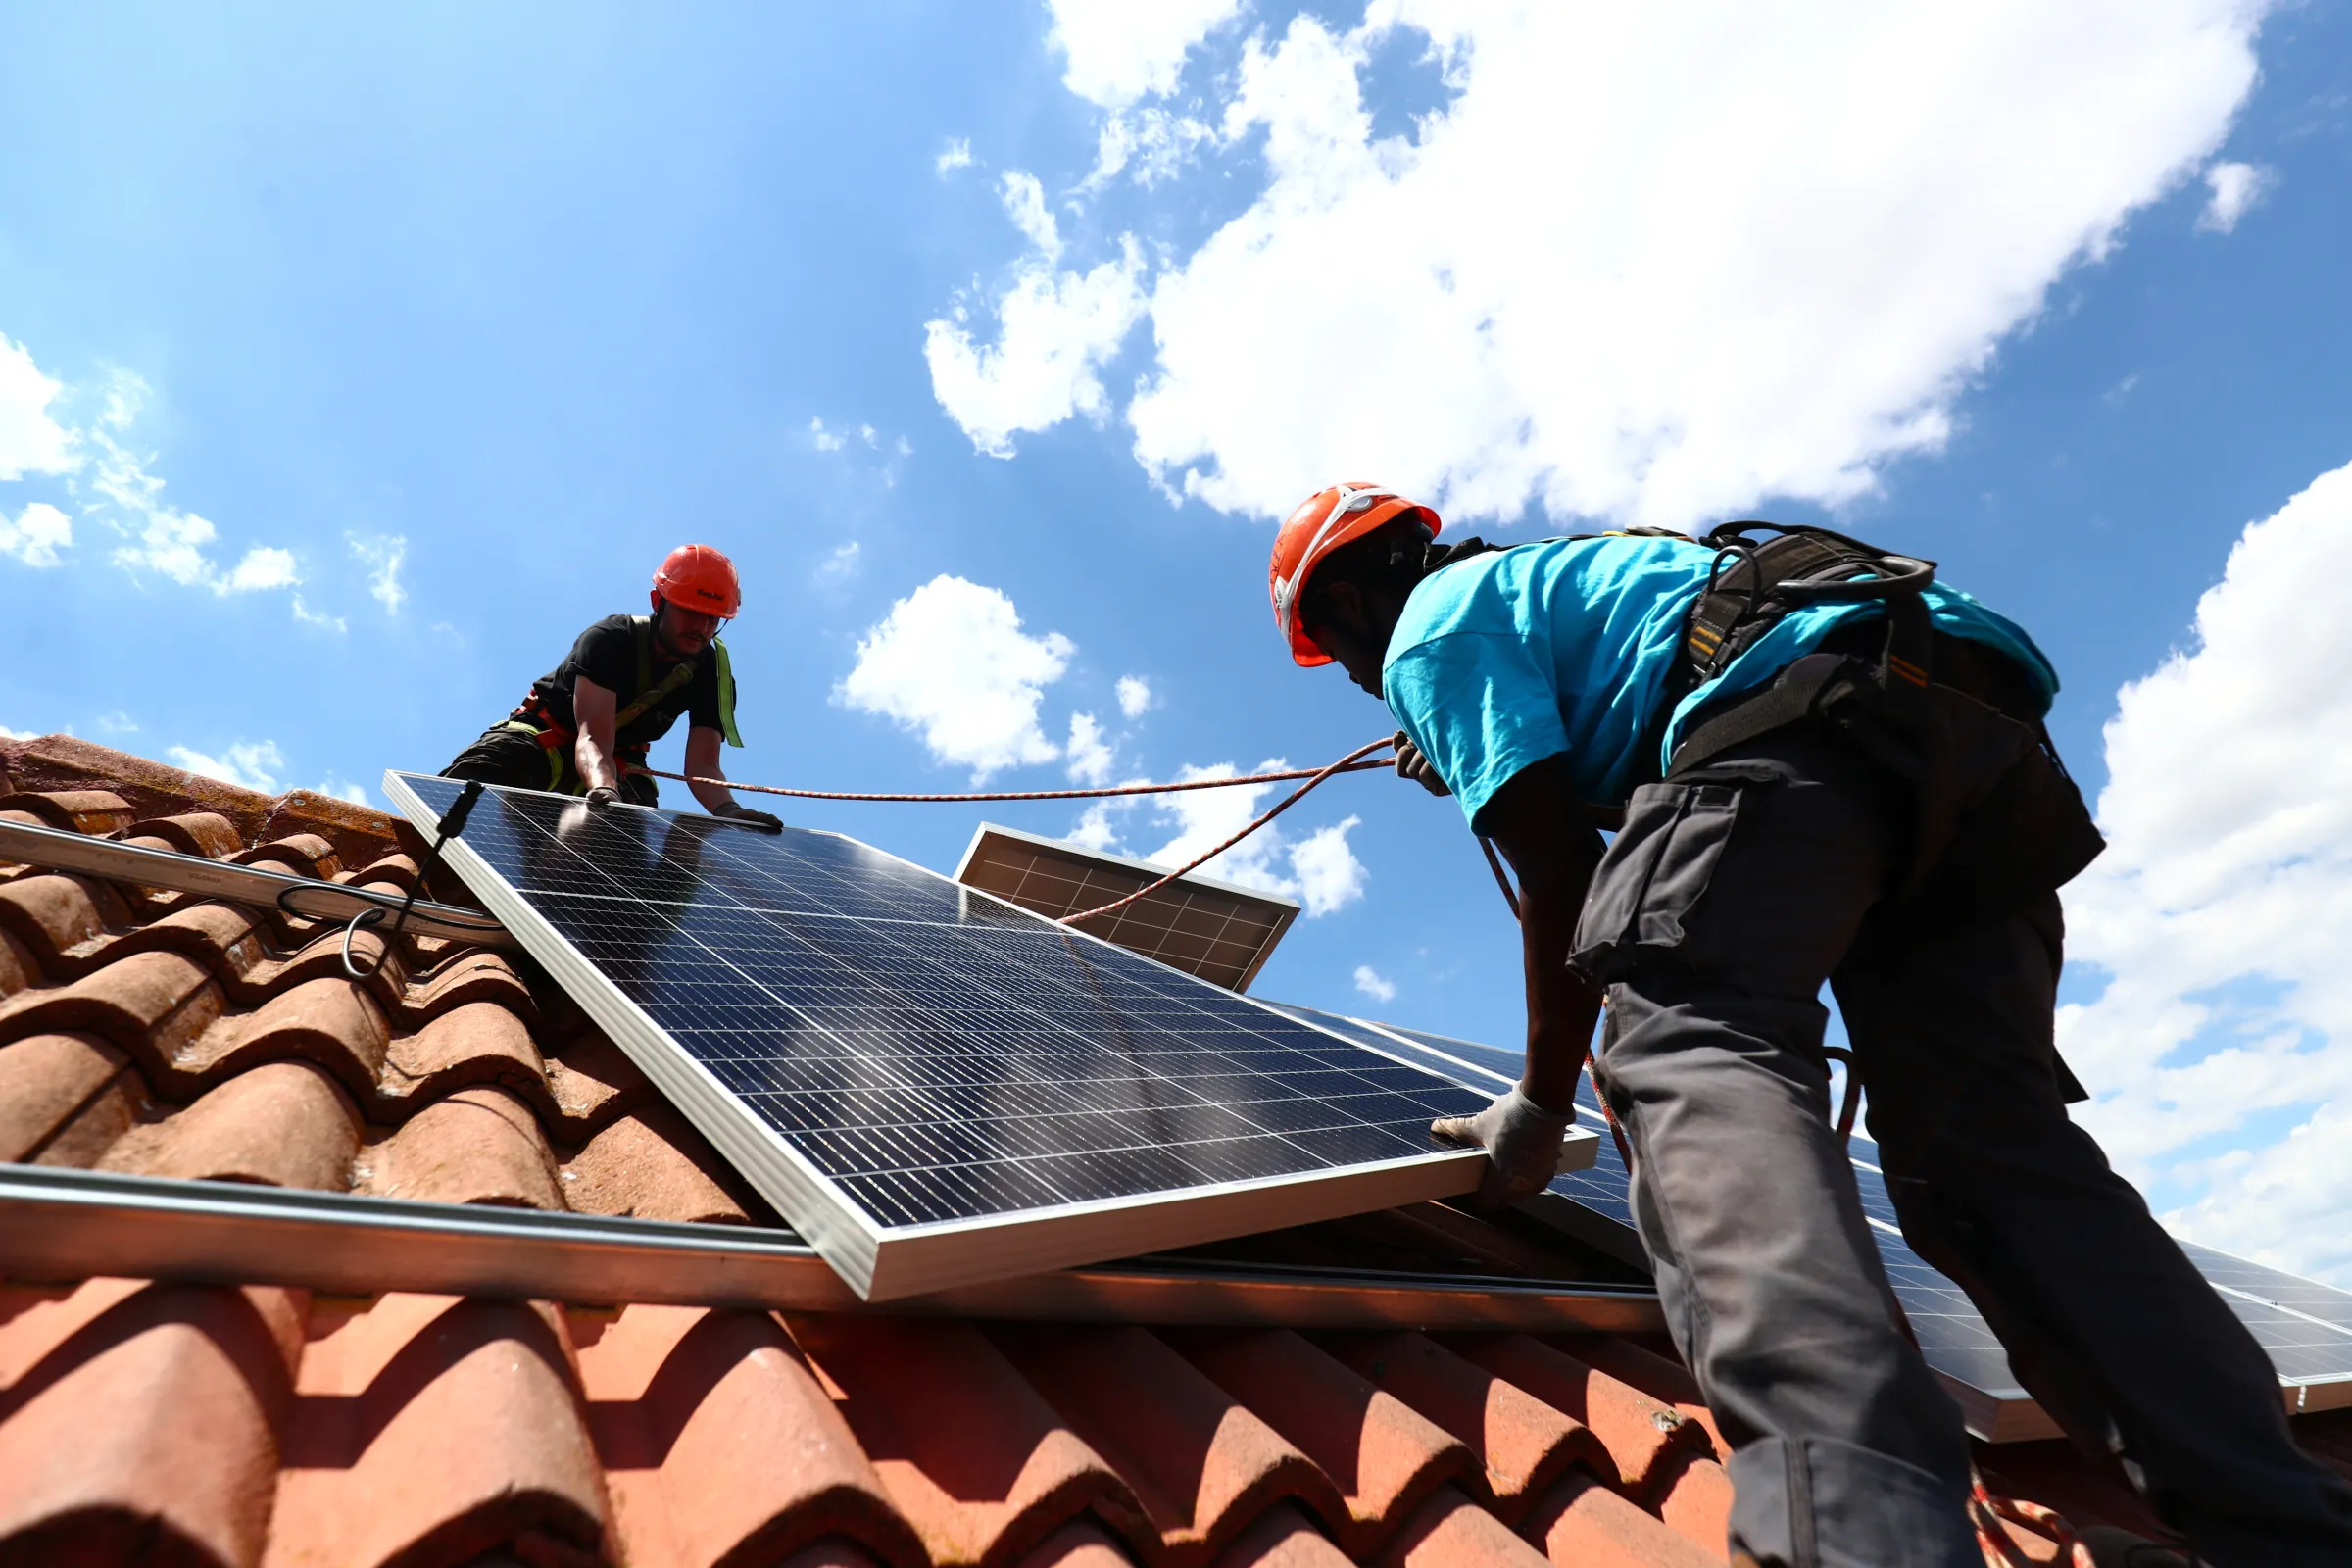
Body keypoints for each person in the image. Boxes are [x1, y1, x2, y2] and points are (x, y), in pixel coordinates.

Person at [1270, 482, 2352, 1568]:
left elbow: (1563, 872)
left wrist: (1542, 1105)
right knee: (1985, 1161)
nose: (1362, 681)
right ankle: (2284, 1528)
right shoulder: (1542, 580)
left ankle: (1857, 1534)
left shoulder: (1428, 630)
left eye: (1336, 648)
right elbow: (1642, 740)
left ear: (1354, 600)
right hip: (1966, 719)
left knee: (1684, 1041)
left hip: (1802, 703)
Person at [443, 544, 781, 829]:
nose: (702, 627)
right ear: (657, 601)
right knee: (465, 798)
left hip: (622, 760)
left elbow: (703, 766)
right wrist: (605, 789)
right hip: (545, 737)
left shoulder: (713, 673)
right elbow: (593, 735)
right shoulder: (611, 638)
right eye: (691, 612)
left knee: (626, 856)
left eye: (713, 618)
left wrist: (729, 811)